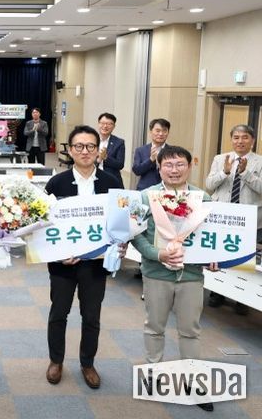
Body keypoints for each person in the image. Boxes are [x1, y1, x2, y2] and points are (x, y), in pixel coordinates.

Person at [131, 145, 217, 412]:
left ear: (190, 167)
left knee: (190, 331)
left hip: (191, 275)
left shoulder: (203, 198)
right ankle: (153, 375)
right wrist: (157, 254)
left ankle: (193, 382)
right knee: (154, 327)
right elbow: (136, 234)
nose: (174, 170)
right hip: (156, 273)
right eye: (168, 164)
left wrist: (215, 256)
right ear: (159, 168)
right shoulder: (146, 197)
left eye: (180, 164)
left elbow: (214, 235)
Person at [43, 125, 124, 389]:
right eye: (79, 146)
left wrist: (122, 243)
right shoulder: (56, 183)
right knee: (59, 313)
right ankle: (56, 361)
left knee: (91, 316)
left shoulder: (112, 183)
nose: (85, 151)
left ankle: (87, 363)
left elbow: (121, 222)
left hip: (96, 265)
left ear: (98, 150)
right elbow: (43, 225)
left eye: (90, 146)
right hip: (63, 264)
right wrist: (58, 254)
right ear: (70, 150)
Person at [205, 124, 262, 315]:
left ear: (252, 140)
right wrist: (225, 172)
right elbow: (209, 185)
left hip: (248, 220)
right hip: (222, 218)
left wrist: (245, 174)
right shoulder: (220, 159)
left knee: (244, 258)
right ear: (231, 139)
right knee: (219, 254)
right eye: (236, 137)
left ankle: (242, 298)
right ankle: (217, 292)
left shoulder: (260, 162)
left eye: (245, 137)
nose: (240, 141)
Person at [132, 118, 170, 190]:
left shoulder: (172, 151)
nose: (161, 134)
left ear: (168, 133)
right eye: (157, 131)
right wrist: (151, 159)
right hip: (145, 189)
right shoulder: (140, 150)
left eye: (164, 131)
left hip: (166, 189)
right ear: (151, 132)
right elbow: (137, 171)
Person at [96, 113, 125, 187]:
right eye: (103, 123)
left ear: (114, 126)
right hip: (93, 178)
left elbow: (120, 164)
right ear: (98, 124)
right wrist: (98, 160)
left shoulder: (119, 142)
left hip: (112, 180)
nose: (105, 126)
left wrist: (106, 157)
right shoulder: (91, 141)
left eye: (109, 124)